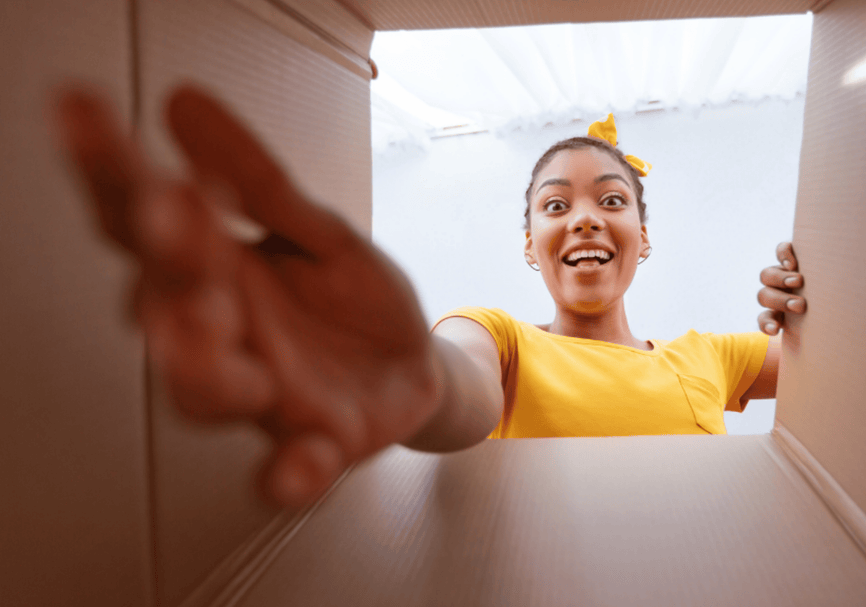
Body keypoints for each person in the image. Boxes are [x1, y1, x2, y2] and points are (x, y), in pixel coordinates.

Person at [52, 85, 806, 509]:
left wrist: (807, 300)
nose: (582, 216)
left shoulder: (712, 354)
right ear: (528, 244)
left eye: (611, 200)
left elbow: (856, 374)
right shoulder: (502, 337)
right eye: (554, 205)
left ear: (643, 237)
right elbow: (456, 381)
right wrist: (418, 376)